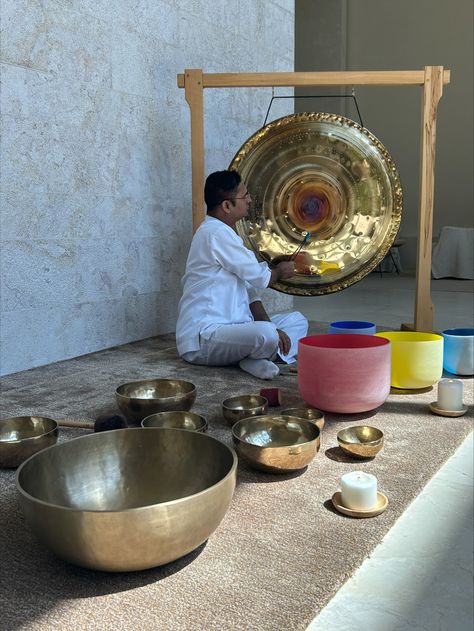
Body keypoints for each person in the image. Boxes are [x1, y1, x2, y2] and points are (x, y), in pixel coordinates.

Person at [176, 170, 308, 380]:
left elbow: (251, 292)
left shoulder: (225, 233)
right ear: (227, 206)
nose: (249, 200)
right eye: (244, 196)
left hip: (235, 330)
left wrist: (272, 326)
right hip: (205, 337)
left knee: (297, 320)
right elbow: (261, 278)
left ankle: (252, 358)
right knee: (264, 334)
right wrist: (280, 271)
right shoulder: (215, 233)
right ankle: (258, 356)